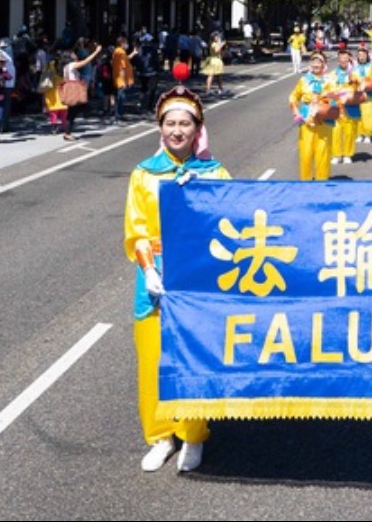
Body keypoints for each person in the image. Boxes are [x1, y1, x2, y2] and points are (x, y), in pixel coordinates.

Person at [123, 83, 231, 473]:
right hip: (154, 277)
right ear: (160, 128)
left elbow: (231, 222)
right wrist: (148, 269)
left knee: (191, 358)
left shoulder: (215, 171)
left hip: (197, 278)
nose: (177, 130)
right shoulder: (143, 174)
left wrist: (202, 193)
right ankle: (160, 435)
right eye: (170, 123)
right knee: (152, 359)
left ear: (197, 128)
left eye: (185, 123)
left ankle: (193, 433)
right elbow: (135, 231)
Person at [288, 48, 339, 181]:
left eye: (319, 61)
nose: (316, 64)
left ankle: (322, 182)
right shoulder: (303, 80)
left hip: (324, 121)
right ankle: (306, 182)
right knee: (306, 154)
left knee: (323, 153)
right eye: (313, 61)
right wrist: (296, 113)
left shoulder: (330, 80)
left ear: (324, 64)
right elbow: (293, 97)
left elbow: (336, 99)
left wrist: (328, 98)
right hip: (307, 123)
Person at [327, 43, 365, 165]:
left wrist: (354, 82)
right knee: (336, 132)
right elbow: (328, 89)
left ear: (349, 59)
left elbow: (361, 85)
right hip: (336, 108)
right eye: (341, 59)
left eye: (345, 58)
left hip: (351, 107)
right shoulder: (333, 74)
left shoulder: (355, 73)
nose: (343, 61)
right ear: (338, 61)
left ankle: (348, 154)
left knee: (349, 132)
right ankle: (337, 155)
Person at [61, 42, 103, 140]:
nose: (75, 55)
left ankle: (68, 132)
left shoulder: (65, 67)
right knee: (72, 112)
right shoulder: (72, 65)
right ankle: (67, 133)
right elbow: (85, 61)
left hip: (68, 90)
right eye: (73, 54)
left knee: (71, 112)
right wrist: (96, 52)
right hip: (74, 90)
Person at [112, 35, 135, 123]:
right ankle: (118, 115)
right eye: (125, 43)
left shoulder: (120, 52)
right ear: (122, 43)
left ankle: (120, 114)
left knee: (121, 97)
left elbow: (126, 60)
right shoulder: (120, 52)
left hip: (119, 79)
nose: (126, 44)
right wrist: (124, 80)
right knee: (121, 98)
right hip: (121, 79)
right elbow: (122, 67)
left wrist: (133, 54)